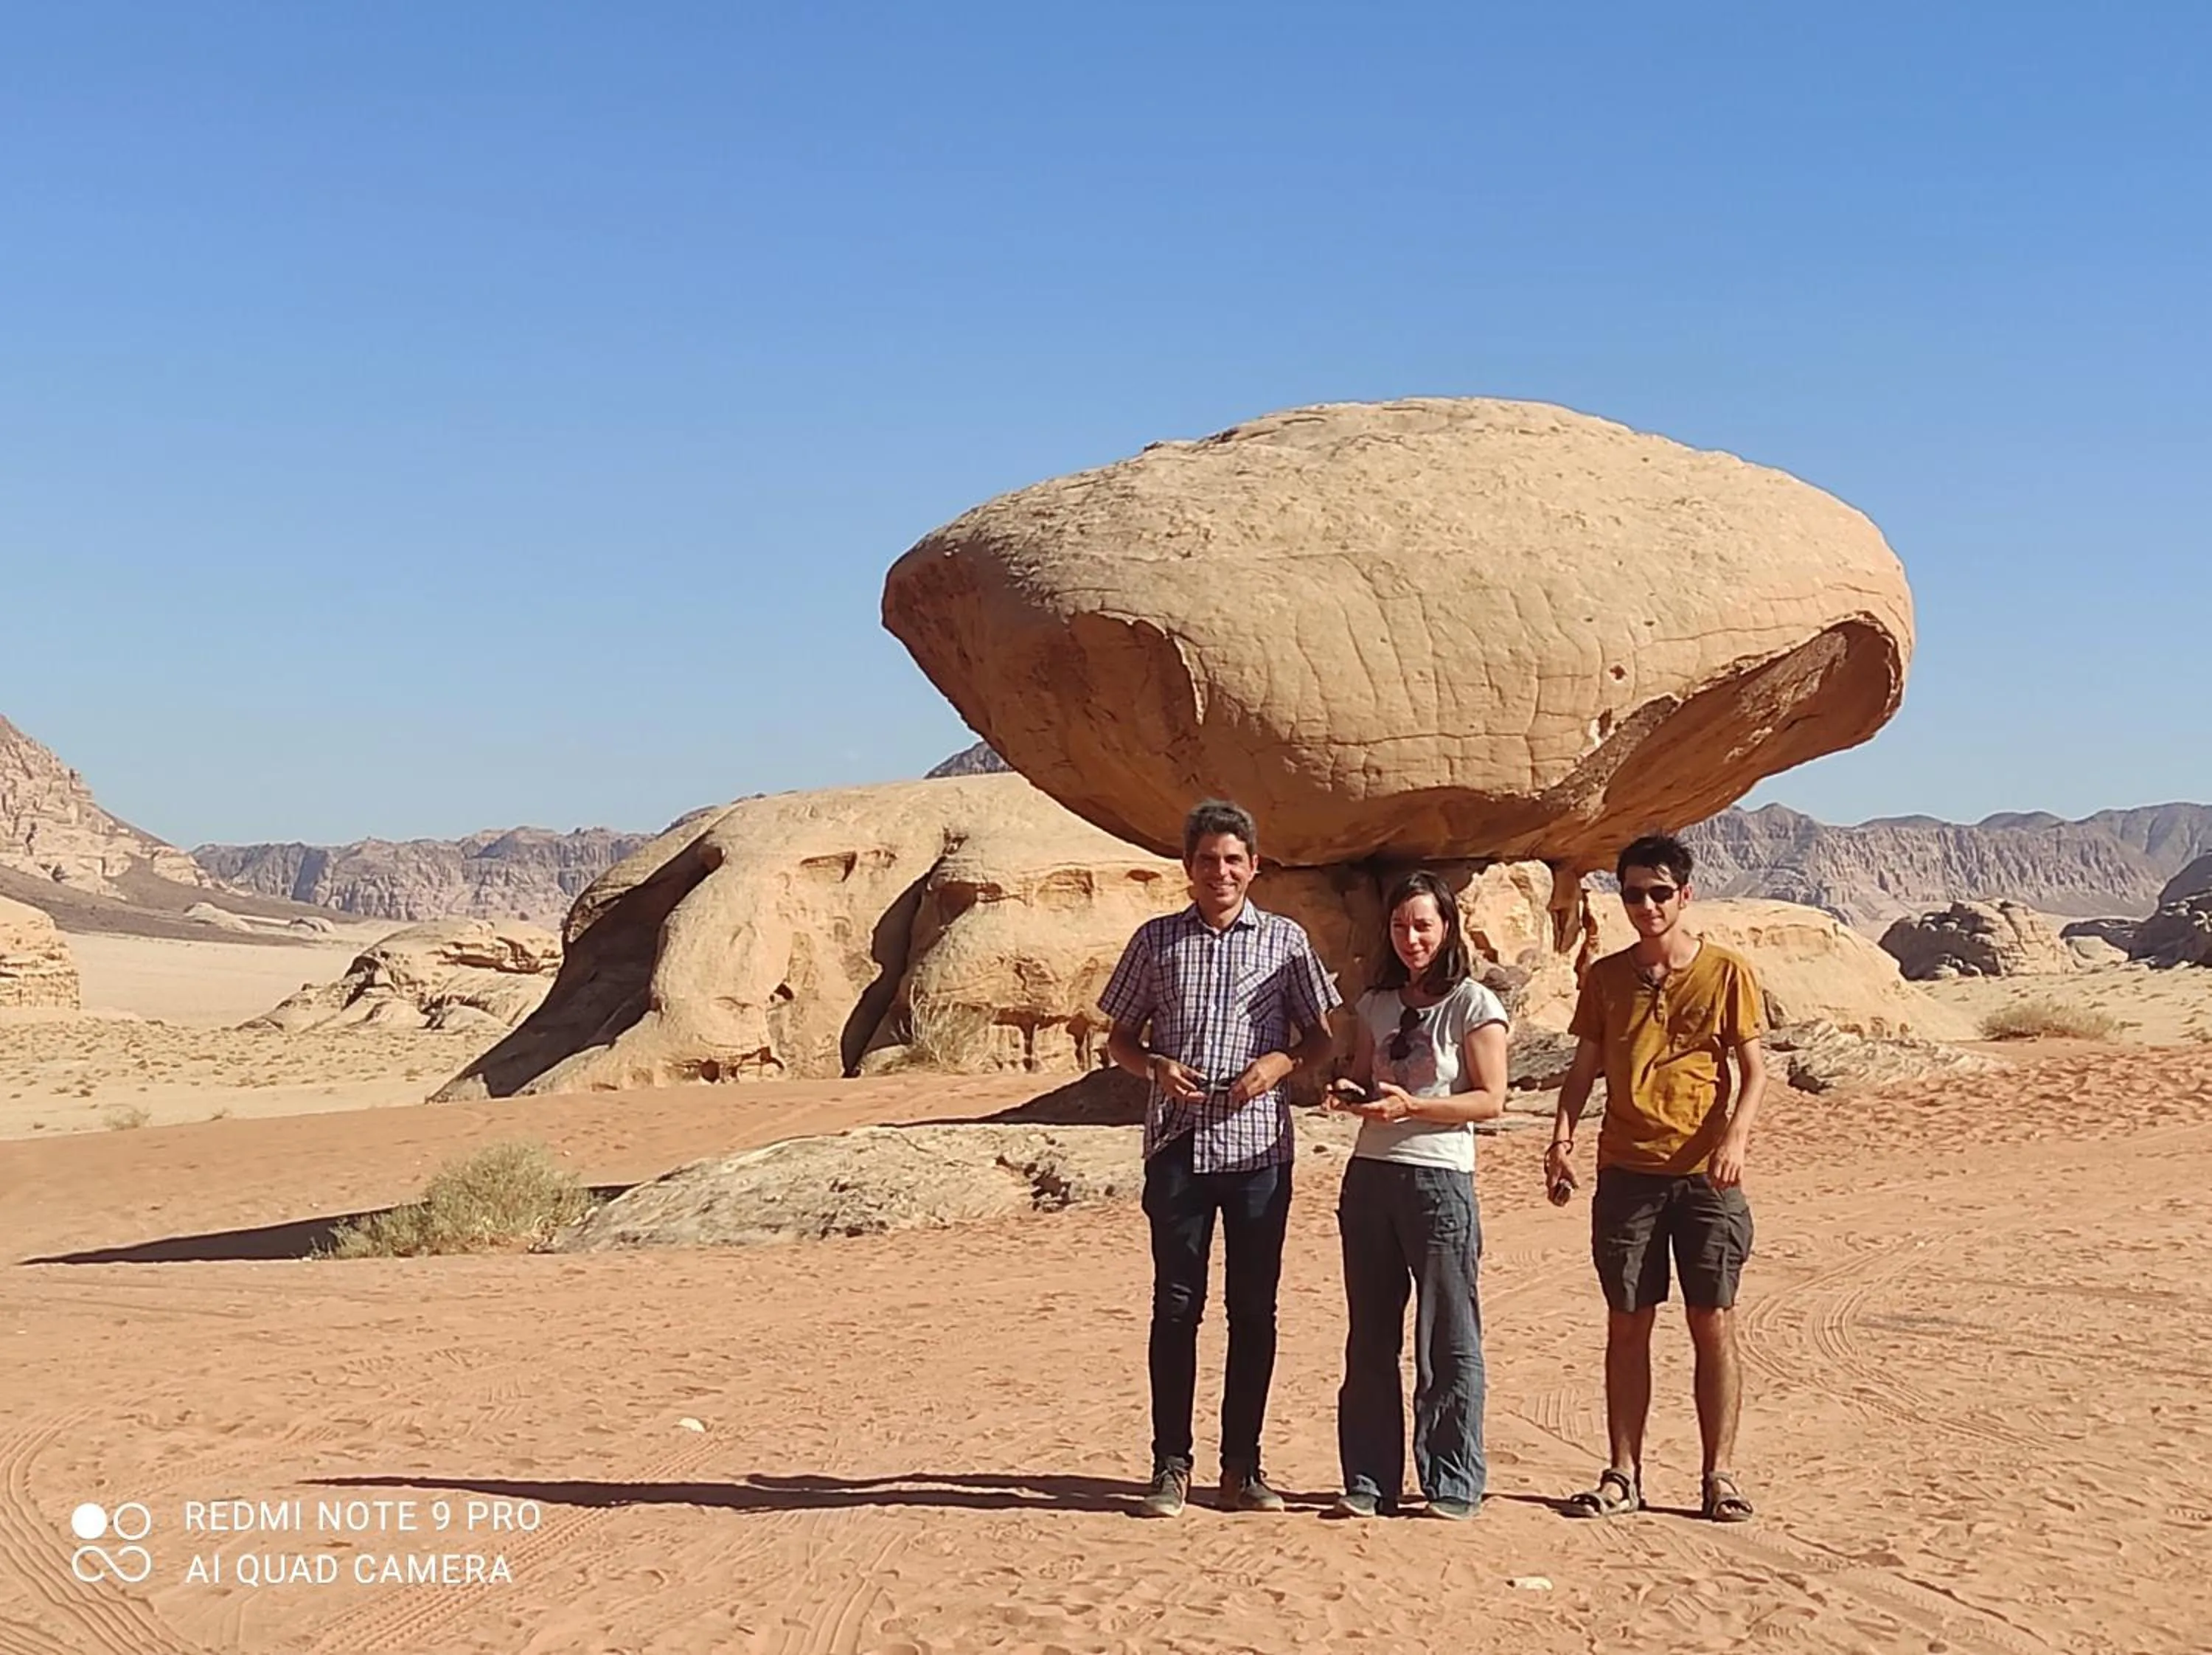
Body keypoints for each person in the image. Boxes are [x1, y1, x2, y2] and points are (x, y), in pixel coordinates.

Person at [1101, 798, 1340, 1519]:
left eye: (1234, 860)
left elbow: (1323, 1038)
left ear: (1254, 866)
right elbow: (1120, 1038)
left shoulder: (1286, 942)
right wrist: (1153, 1070)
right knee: (1176, 1308)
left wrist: (1282, 1062)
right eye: (1208, 860)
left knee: (1254, 1311)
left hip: (1259, 1155)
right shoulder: (1155, 941)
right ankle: (1170, 1466)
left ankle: (1244, 1468)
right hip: (1178, 1147)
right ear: (1188, 868)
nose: (1221, 872)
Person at [1545, 833, 1767, 1524]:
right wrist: (1561, 1135)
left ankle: (1719, 1476)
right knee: (1629, 1321)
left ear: (1685, 895)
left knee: (1713, 1319)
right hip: (1627, 1171)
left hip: (1705, 1177)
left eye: (1659, 893)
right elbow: (1583, 1069)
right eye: (1633, 893)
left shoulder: (1727, 973)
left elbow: (1756, 1069)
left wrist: (1734, 1137)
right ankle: (1622, 1473)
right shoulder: (1607, 979)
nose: (1645, 906)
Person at [1326, 870, 1509, 1522]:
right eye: (1401, 926)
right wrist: (1348, 1095)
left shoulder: (1473, 1004)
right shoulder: (1375, 1002)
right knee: (1370, 1337)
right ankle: (1370, 1481)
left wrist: (1417, 1108)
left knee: (1448, 1337)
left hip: (1439, 1180)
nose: (1412, 938)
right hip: (1371, 1176)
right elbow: (1362, 1073)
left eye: (1423, 925)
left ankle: (1453, 1481)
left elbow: (1491, 1098)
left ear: (1448, 927)